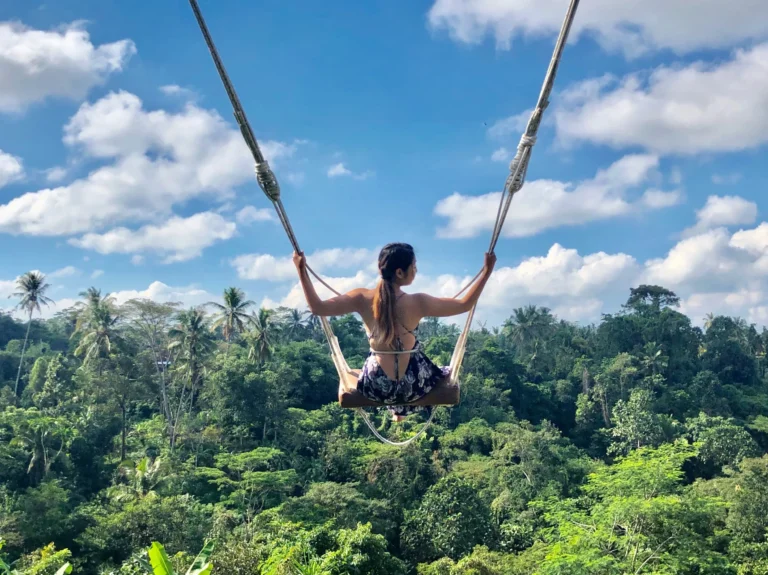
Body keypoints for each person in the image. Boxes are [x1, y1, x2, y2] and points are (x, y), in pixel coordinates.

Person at [293, 243, 496, 421]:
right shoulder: (418, 302)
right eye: (413, 267)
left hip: (377, 385)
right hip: (414, 385)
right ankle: (400, 410)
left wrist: (301, 270)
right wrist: (487, 271)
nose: (416, 270)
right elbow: (464, 304)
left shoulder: (361, 298)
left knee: (357, 371)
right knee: (441, 371)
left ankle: (397, 410)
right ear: (399, 272)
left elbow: (317, 307)